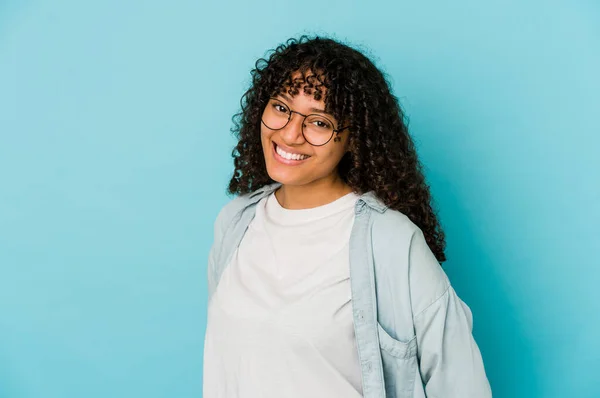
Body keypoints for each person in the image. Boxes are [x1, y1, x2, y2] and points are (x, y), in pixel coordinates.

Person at [202, 35, 492, 398]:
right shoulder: (235, 223)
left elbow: (460, 382)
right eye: (281, 107)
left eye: (319, 123)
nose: (290, 134)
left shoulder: (391, 242)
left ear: (353, 138)